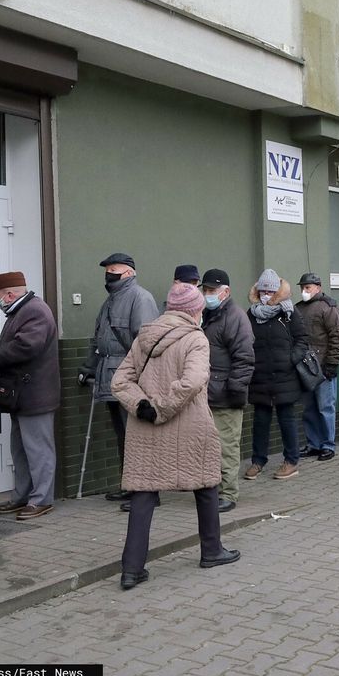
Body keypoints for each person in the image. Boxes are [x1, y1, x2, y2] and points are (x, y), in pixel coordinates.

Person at [111, 283, 240, 590]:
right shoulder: (196, 338)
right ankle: (212, 551)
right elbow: (194, 380)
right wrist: (162, 409)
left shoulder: (145, 336)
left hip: (145, 429)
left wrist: (143, 406)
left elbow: (119, 381)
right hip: (189, 423)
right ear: (194, 310)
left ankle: (132, 569)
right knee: (207, 485)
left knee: (143, 492)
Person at [78, 252, 160, 511]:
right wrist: (88, 367)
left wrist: (142, 382)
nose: (109, 274)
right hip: (110, 377)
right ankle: (130, 486)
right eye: (107, 269)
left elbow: (145, 343)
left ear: (130, 273)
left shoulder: (140, 298)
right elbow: (98, 339)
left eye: (115, 269)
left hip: (130, 381)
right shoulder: (110, 301)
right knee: (123, 435)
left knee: (138, 437)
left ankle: (147, 493)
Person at [0, 271, 60, 519]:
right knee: (20, 450)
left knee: (38, 450)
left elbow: (26, 346)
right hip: (22, 395)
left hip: (35, 395)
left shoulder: (35, 310)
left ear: (8, 294)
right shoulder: (20, 310)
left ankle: (41, 499)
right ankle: (21, 497)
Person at [244, 269, 307, 481]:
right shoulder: (251, 314)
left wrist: (291, 359)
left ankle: (291, 460)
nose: (266, 295)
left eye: (270, 291)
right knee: (260, 421)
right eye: (263, 291)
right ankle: (258, 461)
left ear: (278, 292)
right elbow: (245, 341)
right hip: (260, 376)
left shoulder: (289, 313)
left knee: (287, 419)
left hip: (284, 376)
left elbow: (302, 340)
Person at [200, 268, 254, 513]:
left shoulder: (235, 317)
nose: (207, 294)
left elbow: (244, 358)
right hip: (208, 393)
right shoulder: (208, 315)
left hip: (226, 394)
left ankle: (228, 493)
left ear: (226, 292)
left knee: (227, 446)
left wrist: (234, 390)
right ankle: (214, 489)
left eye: (212, 290)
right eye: (205, 290)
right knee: (210, 446)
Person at [295, 273, 339, 461]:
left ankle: (327, 444)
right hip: (305, 367)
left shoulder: (328, 307)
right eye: (302, 287)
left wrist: (332, 363)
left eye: (307, 287)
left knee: (325, 406)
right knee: (309, 407)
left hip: (323, 366)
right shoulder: (299, 308)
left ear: (318, 287)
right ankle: (313, 444)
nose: (304, 291)